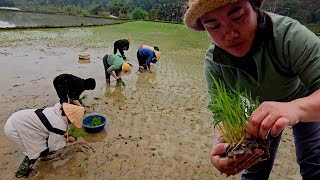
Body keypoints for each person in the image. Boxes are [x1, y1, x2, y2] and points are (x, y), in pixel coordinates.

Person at [184, 0, 320, 179]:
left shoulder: (290, 35)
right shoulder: (214, 63)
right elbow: (222, 114)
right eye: (213, 25)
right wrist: (222, 145)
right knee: (254, 165)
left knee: (313, 161)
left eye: (238, 17)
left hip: (305, 100)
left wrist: (294, 109)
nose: (230, 34)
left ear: (255, 7)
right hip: (260, 111)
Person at [3, 103, 84, 178]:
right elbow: (54, 146)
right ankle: (21, 173)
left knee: (41, 146)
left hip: (18, 118)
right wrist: (66, 140)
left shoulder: (56, 110)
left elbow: (51, 128)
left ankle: (43, 155)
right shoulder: (59, 124)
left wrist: (63, 134)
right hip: (15, 128)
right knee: (33, 151)